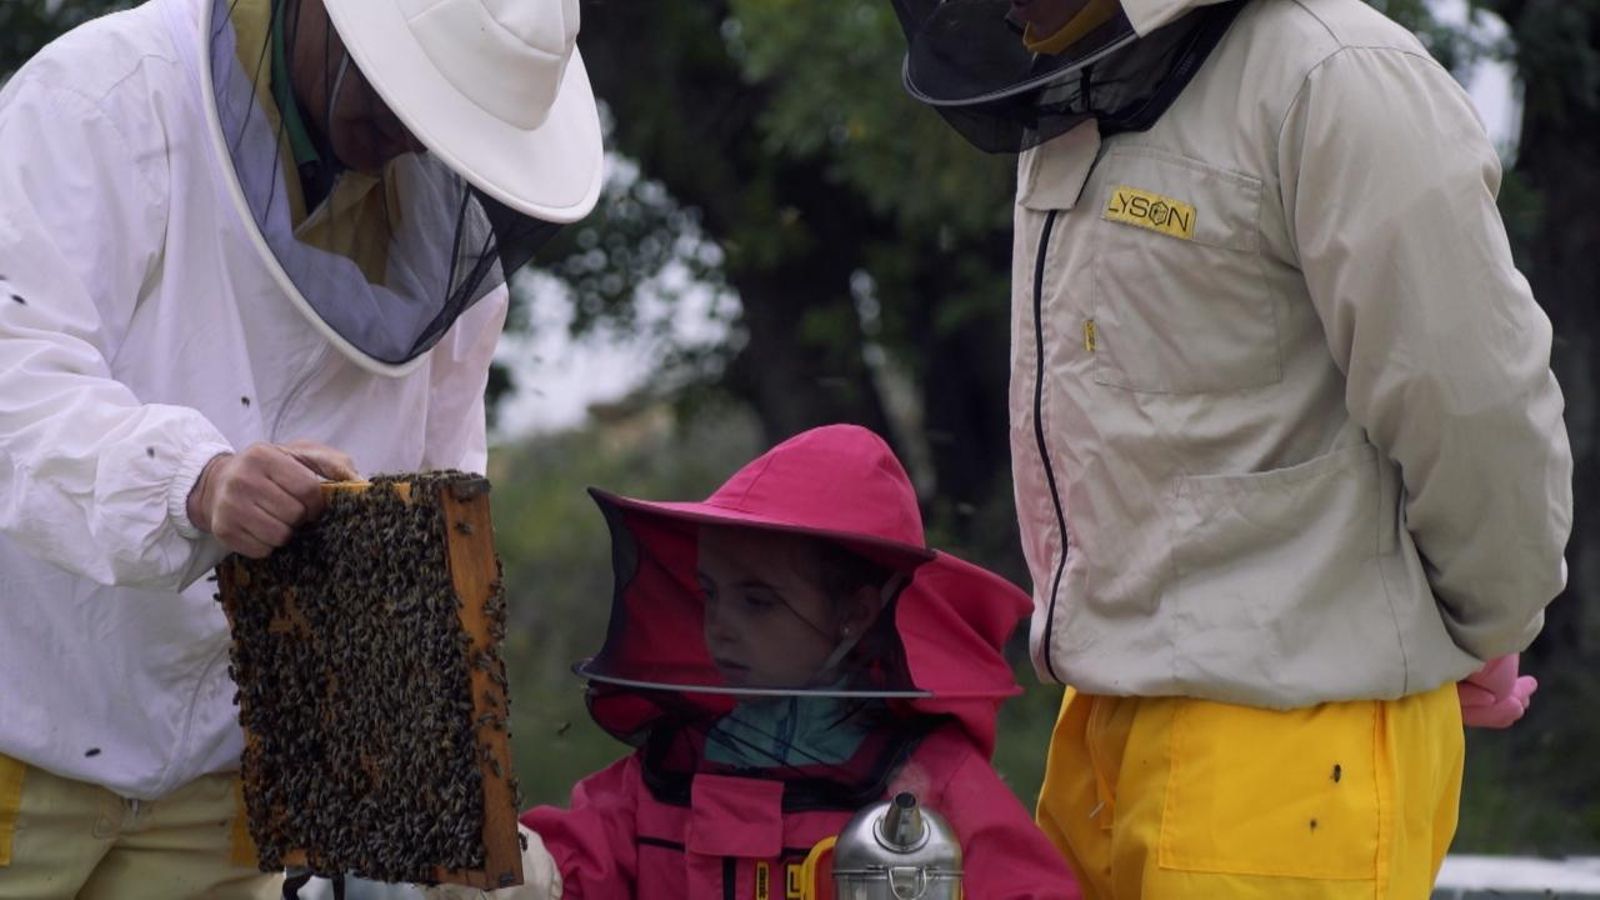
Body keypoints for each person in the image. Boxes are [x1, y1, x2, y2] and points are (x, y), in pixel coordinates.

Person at [886, 0, 1572, 896]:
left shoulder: (1335, 72)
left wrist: (1484, 626)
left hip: (1290, 751)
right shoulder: (1074, 83)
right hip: (1097, 731)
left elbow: (1474, 399)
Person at [0, 0, 602, 894]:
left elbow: (431, 542)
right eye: (404, 95)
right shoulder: (104, 98)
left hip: (233, 798)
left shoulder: (453, 259)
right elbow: (17, 373)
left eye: (442, 117)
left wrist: (437, 791)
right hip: (20, 743)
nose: (408, 135)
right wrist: (193, 482)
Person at [429, 424, 1081, 899]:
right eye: (712, 595)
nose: (723, 628)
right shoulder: (664, 776)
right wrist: (514, 875)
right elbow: (573, 871)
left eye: (758, 601)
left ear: (854, 613)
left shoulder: (934, 787)